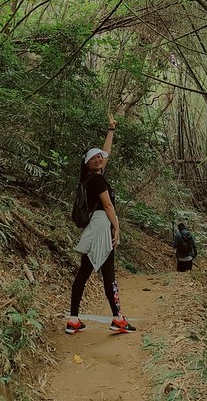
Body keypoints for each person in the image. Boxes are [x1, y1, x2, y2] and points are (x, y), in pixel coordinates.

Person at [66, 112, 136, 335]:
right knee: (107, 275)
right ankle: (117, 318)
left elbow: (107, 153)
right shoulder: (96, 179)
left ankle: (74, 319)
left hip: (94, 228)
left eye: (99, 157)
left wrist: (111, 130)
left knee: (87, 274)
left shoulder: (89, 178)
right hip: (102, 227)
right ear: (87, 163)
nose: (99, 159)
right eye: (94, 158)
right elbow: (107, 206)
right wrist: (117, 227)